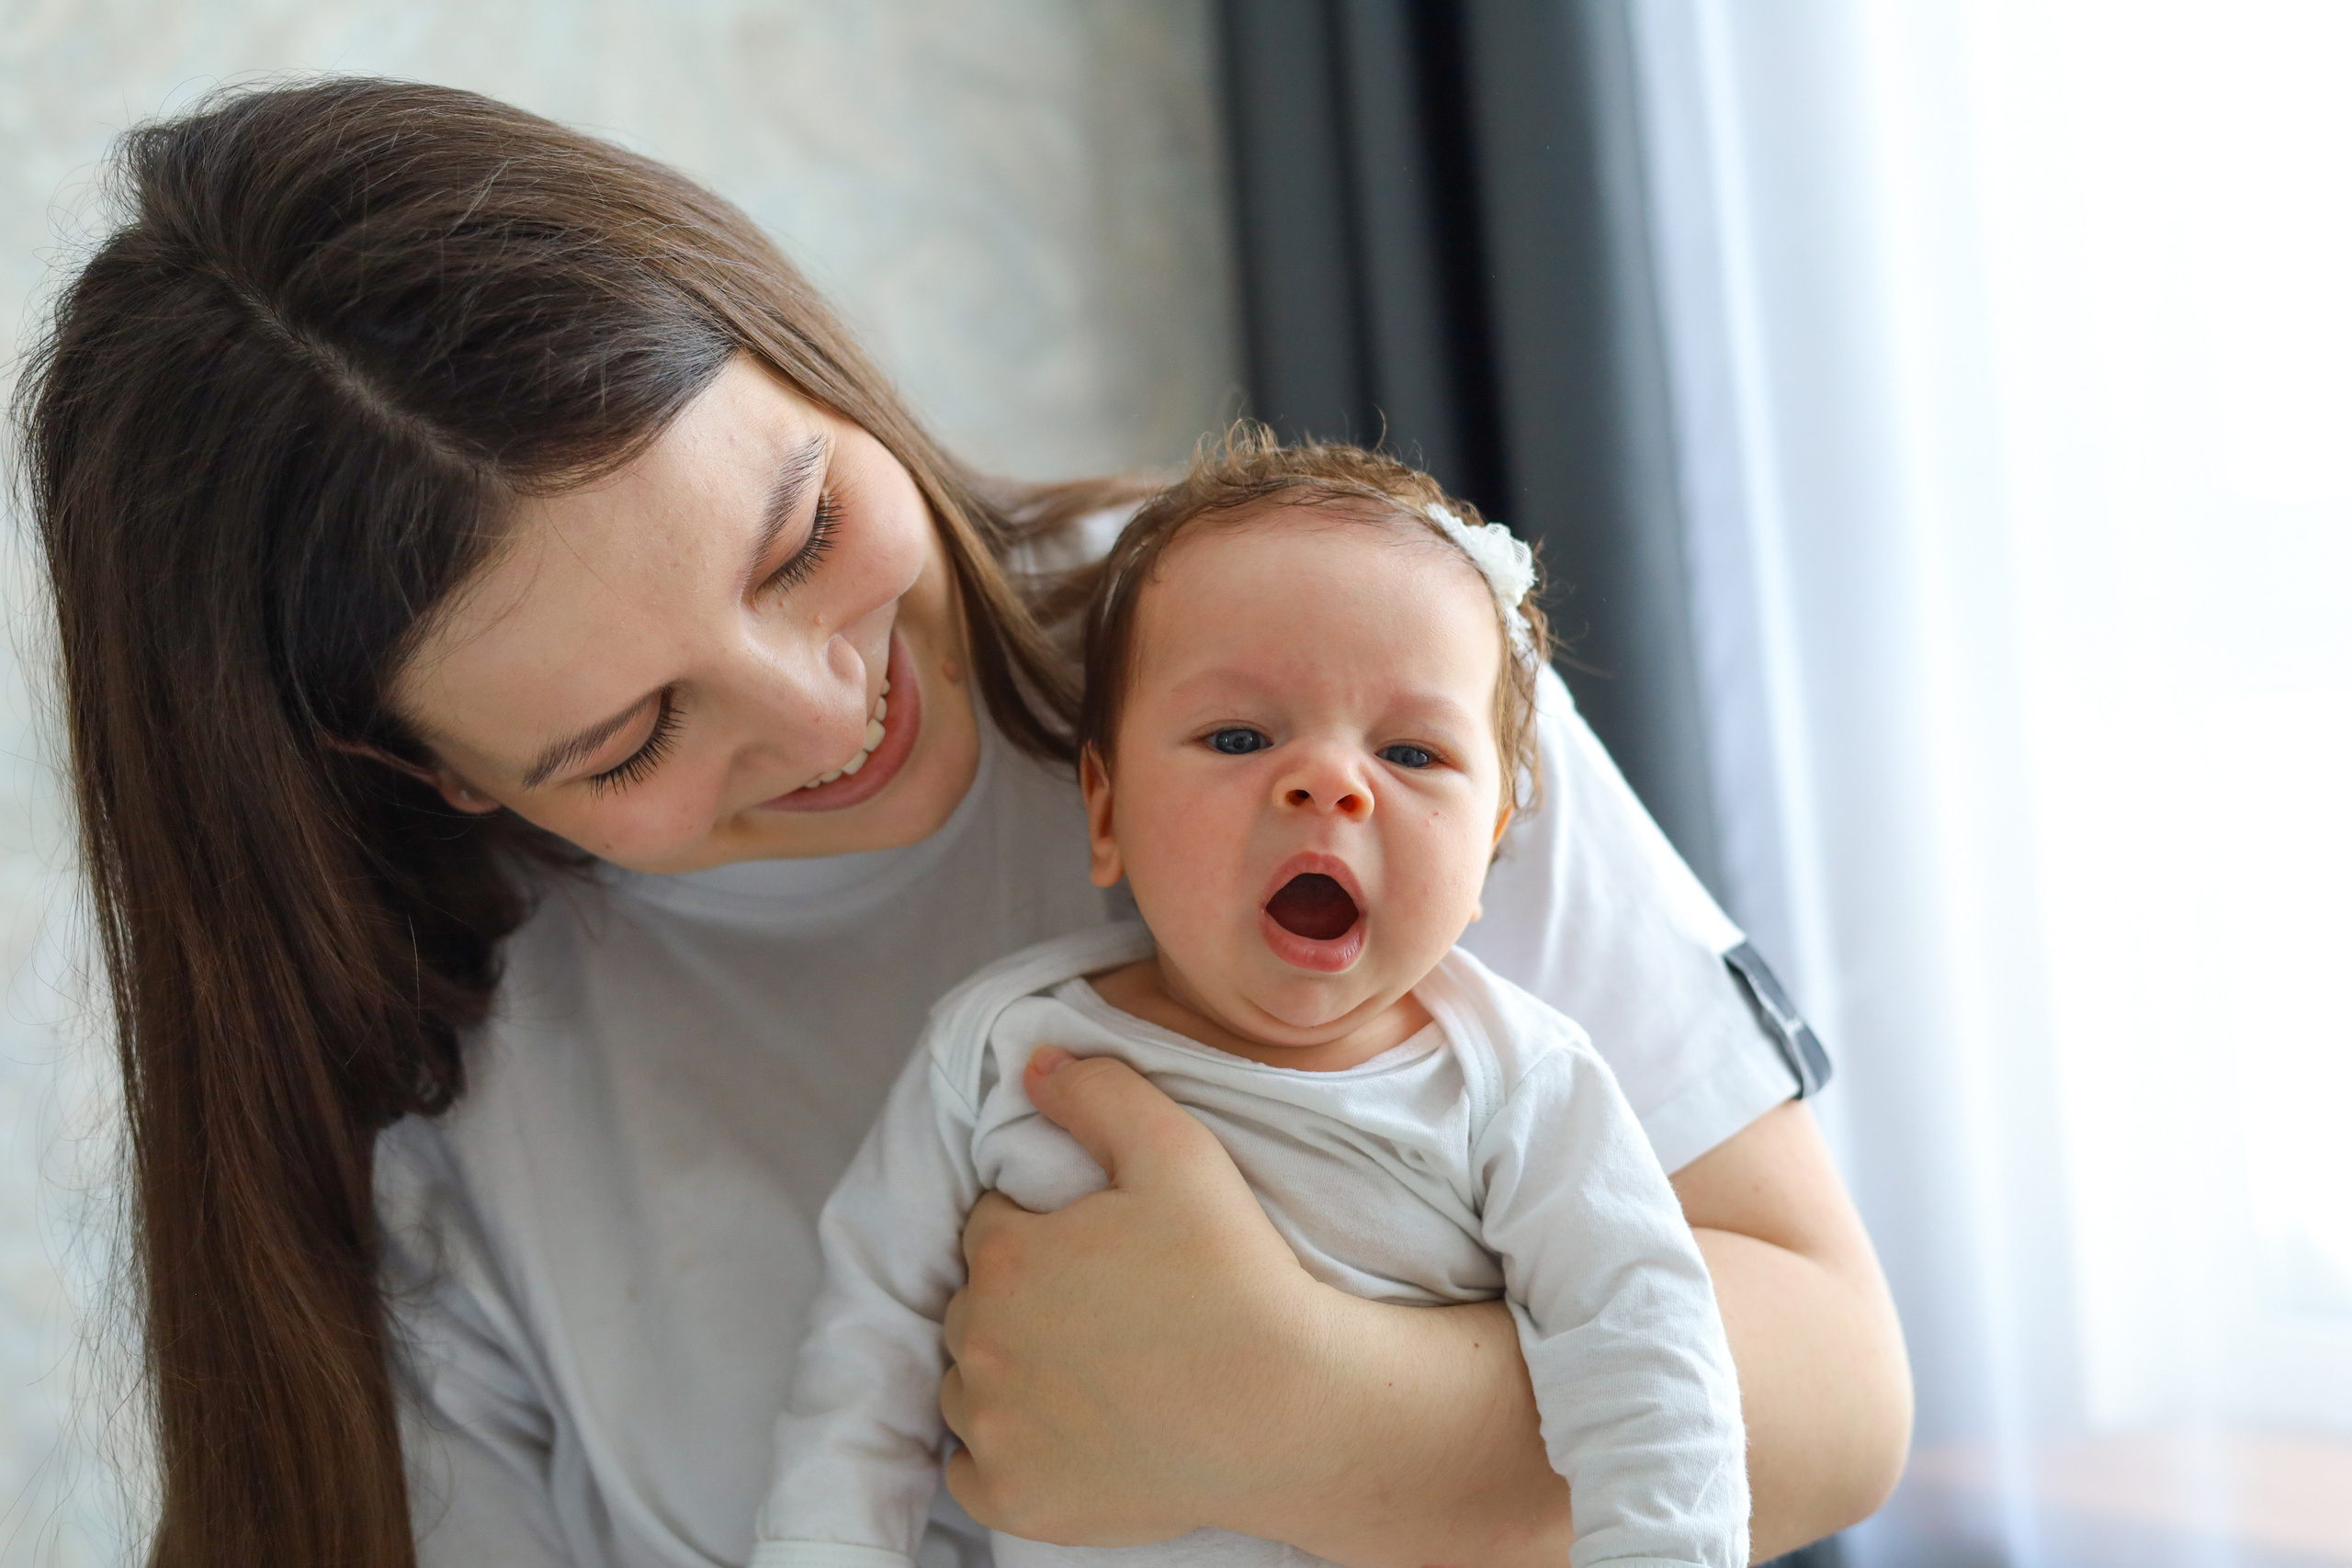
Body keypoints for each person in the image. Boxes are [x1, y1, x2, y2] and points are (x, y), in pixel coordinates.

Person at [17, 77, 1909, 1568]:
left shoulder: (1314, 668)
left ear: (797, 350)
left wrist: (1306, 1411)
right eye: (629, 733)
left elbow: (1834, 1400)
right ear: (432, 771)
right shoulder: (443, 1108)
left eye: (805, 537)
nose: (824, 708)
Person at [757, 440, 1750, 1568]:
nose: (1327, 780)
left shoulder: (1517, 1085)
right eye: (1238, 737)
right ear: (1106, 811)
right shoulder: (1002, 1047)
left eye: (1412, 751)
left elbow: (1651, 1371)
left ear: (1491, 848)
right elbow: (864, 1364)